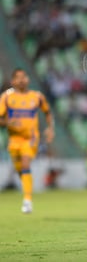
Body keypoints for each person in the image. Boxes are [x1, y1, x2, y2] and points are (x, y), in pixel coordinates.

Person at [0, 68, 54, 213]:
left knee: (25, 163)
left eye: (24, 76)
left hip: (31, 138)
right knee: (21, 169)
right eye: (18, 77)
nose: (22, 79)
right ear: (13, 81)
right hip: (13, 139)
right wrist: (9, 123)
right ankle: (27, 189)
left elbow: (47, 112)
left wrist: (50, 128)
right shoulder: (6, 97)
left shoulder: (37, 96)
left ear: (28, 79)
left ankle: (27, 201)